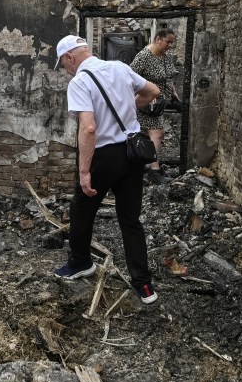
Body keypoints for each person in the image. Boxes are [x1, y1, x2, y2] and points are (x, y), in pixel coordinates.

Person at [54, 35, 162, 304]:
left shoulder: (79, 82)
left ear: (70, 57)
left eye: (64, 64)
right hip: (132, 152)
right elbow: (153, 91)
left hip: (106, 154)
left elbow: (88, 128)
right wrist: (130, 107)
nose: (66, 69)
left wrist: (84, 171)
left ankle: (80, 262)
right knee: (130, 219)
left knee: (82, 207)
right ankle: (144, 285)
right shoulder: (119, 67)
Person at [129, 28, 183, 183]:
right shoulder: (144, 56)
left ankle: (142, 167)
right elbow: (130, 77)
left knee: (147, 135)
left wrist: (173, 94)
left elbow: (168, 78)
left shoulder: (165, 57)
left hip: (159, 103)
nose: (170, 45)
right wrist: (143, 94)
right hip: (147, 102)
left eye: (172, 42)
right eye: (168, 42)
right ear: (158, 39)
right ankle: (154, 170)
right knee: (157, 133)